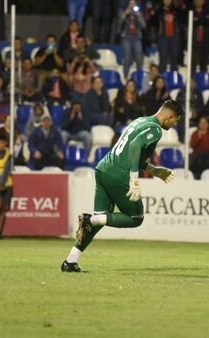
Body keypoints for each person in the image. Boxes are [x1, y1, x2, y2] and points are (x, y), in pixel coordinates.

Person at [61, 99, 182, 272]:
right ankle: (90, 219)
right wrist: (134, 178)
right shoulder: (155, 129)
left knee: (100, 219)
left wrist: (152, 169)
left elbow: (130, 152)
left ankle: (70, 260)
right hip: (118, 174)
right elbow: (134, 146)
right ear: (169, 116)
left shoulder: (140, 121)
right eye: (175, 121)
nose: (174, 125)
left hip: (103, 169)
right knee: (136, 218)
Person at [118, 0, 146, 78]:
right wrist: (125, 14)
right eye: (130, 4)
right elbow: (119, 22)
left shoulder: (139, 12)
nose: (132, 6)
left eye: (134, 4)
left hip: (137, 38)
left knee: (139, 59)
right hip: (126, 38)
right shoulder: (123, 11)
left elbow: (144, 25)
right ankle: (126, 77)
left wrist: (139, 16)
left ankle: (139, 77)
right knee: (127, 59)